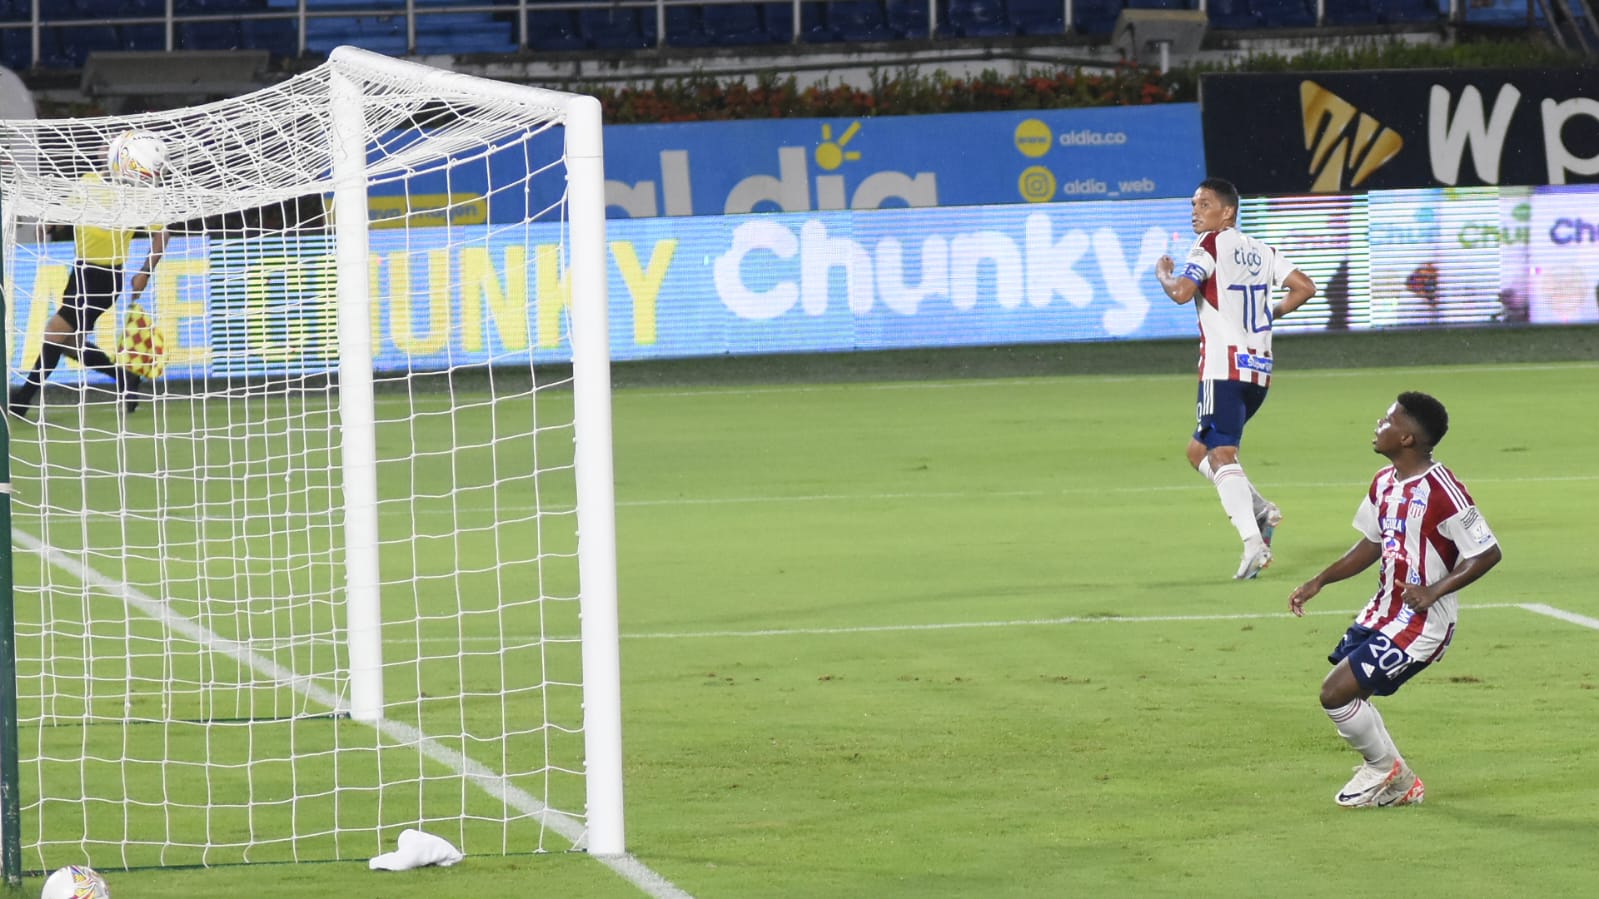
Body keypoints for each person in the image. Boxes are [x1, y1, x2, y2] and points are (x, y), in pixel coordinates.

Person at [1288, 392, 1502, 808]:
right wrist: (1320, 581)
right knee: (1352, 696)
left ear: (1407, 438)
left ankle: (1386, 769)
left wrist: (1432, 592)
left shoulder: (1445, 491)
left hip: (1423, 624)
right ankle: (1399, 780)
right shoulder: (1383, 482)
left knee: (1335, 694)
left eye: (1388, 420)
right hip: (1383, 611)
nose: (1378, 425)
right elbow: (1370, 545)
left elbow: (1487, 552)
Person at [1155, 177, 1317, 580]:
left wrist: (1162, 274)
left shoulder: (1209, 245)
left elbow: (1180, 293)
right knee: (1199, 451)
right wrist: (1270, 315)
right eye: (1194, 204)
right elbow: (1305, 288)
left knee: (1222, 454)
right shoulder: (1262, 250)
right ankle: (1260, 509)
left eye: (1205, 204)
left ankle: (1252, 543)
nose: (1196, 211)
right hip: (1258, 373)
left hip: (1222, 369)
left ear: (1227, 211)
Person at [9, 131, 170, 421]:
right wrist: (49, 225)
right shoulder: (88, 182)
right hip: (80, 273)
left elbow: (162, 234)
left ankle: (21, 401)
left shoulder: (136, 195)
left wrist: (145, 272)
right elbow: (67, 212)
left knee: (54, 334)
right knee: (69, 343)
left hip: (105, 278)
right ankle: (125, 378)